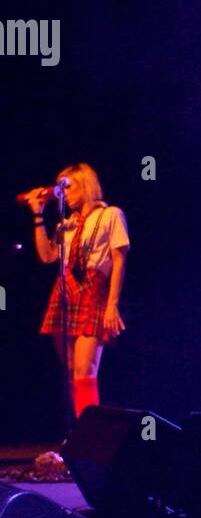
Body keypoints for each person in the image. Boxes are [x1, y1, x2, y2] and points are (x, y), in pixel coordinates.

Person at [25, 163, 130, 418]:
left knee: (85, 371)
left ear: (85, 185)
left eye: (68, 188)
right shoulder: (67, 224)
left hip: (93, 288)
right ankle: (78, 434)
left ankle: (90, 440)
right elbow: (47, 255)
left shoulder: (110, 214)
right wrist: (38, 216)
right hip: (65, 289)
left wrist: (112, 304)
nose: (65, 194)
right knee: (71, 370)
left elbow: (119, 260)